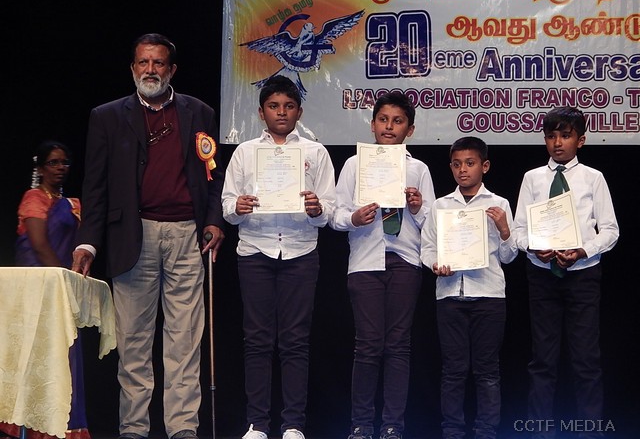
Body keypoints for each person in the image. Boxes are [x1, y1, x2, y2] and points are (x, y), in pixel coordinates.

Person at [71, 33, 225, 439]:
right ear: (132, 68)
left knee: (185, 339)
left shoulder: (200, 112)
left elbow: (213, 177)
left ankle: (183, 428)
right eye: (143, 62)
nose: (150, 70)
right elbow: (95, 187)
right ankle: (134, 429)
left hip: (187, 236)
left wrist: (214, 221)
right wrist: (88, 242)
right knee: (133, 341)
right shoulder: (107, 116)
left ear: (172, 70)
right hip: (132, 237)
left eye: (158, 63)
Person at [221, 75, 336, 439]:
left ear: (299, 111)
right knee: (256, 340)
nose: (281, 112)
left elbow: (329, 210)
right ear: (261, 113)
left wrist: (317, 208)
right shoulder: (245, 152)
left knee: (295, 341)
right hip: (255, 250)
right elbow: (227, 205)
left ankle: (293, 425)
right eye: (274, 106)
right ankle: (257, 424)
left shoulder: (315, 153)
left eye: (288, 106)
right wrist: (238, 207)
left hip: (301, 251)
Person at [329, 91, 435, 439]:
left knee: (399, 345)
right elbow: (335, 214)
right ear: (372, 124)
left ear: (410, 130)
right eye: (384, 120)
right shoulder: (354, 165)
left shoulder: (418, 169)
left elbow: (433, 225)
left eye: (398, 121)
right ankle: (360, 425)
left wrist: (417, 207)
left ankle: (392, 426)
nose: (389, 127)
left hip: (404, 260)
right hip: (365, 261)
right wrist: (354, 218)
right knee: (368, 345)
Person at [512, 107, 619, 439]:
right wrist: (533, 247)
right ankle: (539, 431)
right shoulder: (532, 178)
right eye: (551, 136)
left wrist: (583, 250)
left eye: (565, 135)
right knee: (542, 360)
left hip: (583, 276)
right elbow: (518, 231)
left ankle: (590, 431)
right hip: (542, 275)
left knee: (586, 359)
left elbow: (610, 230)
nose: (557, 143)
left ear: (580, 140)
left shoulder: (593, 178)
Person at [420, 136, 518, 439]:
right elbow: (428, 248)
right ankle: (452, 431)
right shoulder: (440, 206)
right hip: (450, 294)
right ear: (451, 167)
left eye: (470, 163)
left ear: (484, 166)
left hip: (488, 295)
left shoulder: (499, 204)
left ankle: (486, 431)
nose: (463, 170)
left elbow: (508, 256)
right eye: (457, 164)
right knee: (453, 369)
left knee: (487, 369)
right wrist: (435, 264)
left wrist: (505, 230)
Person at [1, 140, 89, 439]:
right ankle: (23, 427)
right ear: (40, 168)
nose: (60, 168)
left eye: (64, 162)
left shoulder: (73, 204)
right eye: (53, 162)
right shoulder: (34, 198)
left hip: (61, 287)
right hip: (37, 288)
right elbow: (39, 245)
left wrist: (73, 280)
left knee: (62, 355)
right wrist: (61, 280)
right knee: (32, 356)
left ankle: (62, 428)